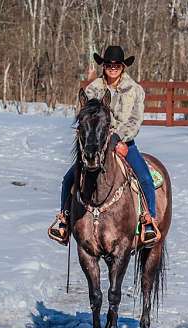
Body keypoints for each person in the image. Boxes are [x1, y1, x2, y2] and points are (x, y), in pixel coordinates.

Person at [49, 45, 160, 246]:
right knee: (68, 179)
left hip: (124, 142)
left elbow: (135, 120)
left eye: (116, 65)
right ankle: (64, 218)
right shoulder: (93, 89)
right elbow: (84, 116)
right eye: (109, 64)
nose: (112, 68)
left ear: (123, 67)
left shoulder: (135, 90)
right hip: (96, 143)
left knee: (144, 177)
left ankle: (149, 220)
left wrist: (119, 138)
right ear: (103, 66)